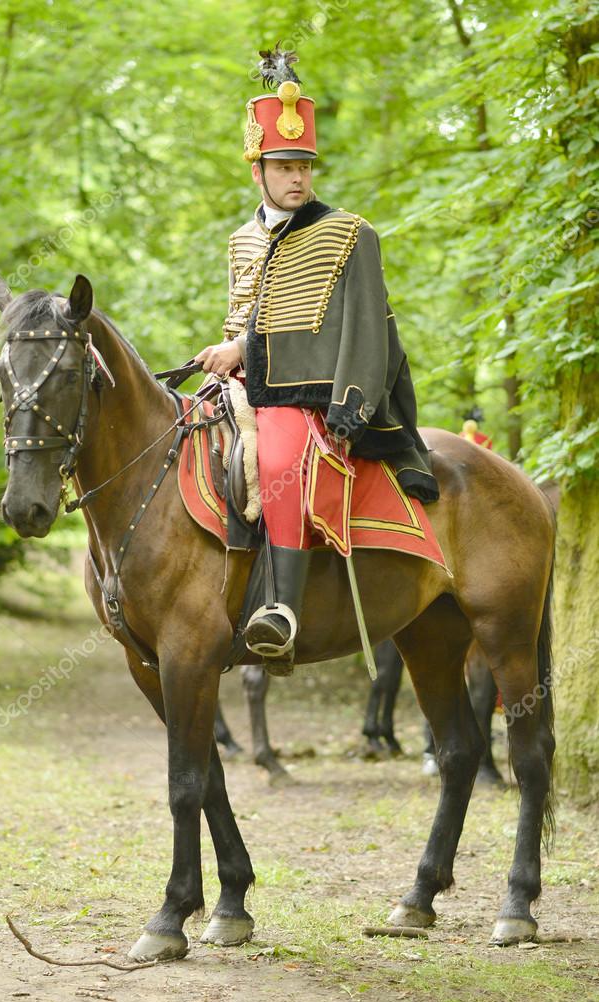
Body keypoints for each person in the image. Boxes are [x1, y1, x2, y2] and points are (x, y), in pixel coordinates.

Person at [195, 46, 438, 674]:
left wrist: (347, 409)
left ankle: (282, 611)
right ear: (258, 171)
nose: (298, 178)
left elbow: (365, 333)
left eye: (304, 166)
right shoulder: (241, 240)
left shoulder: (350, 233)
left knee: (278, 460)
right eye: (284, 167)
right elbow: (242, 317)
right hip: (244, 386)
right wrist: (226, 353)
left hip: (314, 395)